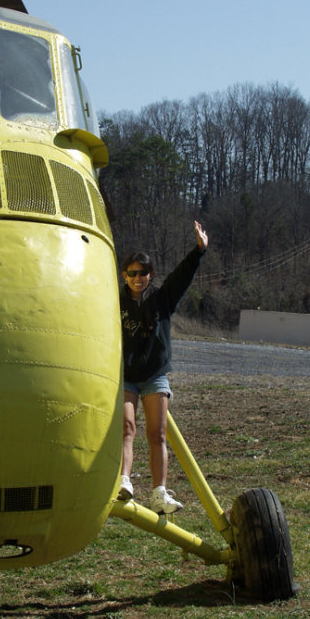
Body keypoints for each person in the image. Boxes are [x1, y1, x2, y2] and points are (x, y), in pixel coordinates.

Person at [118, 220, 208, 514]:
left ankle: (159, 493)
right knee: (126, 427)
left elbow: (182, 276)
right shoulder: (113, 300)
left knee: (157, 434)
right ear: (124, 275)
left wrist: (199, 250)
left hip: (155, 377)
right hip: (126, 378)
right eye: (132, 273)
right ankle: (124, 482)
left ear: (150, 274)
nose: (138, 278)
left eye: (143, 273)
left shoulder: (162, 298)